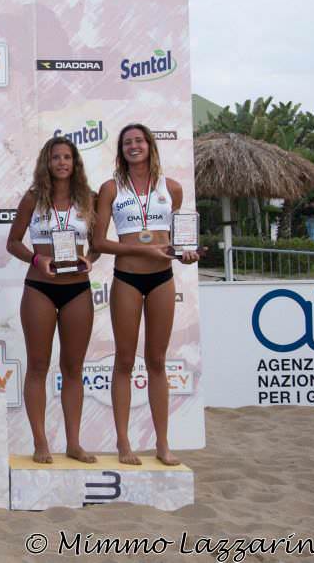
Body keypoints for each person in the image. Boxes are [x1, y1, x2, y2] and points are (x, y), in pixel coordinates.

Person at [92, 123, 200, 466]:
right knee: (124, 361)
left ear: (151, 145)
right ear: (121, 150)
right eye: (127, 143)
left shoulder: (173, 189)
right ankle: (123, 443)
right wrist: (140, 251)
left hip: (162, 279)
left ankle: (163, 444)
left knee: (156, 362)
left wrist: (187, 252)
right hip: (126, 278)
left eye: (139, 141)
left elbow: (176, 239)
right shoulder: (110, 188)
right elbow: (98, 242)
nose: (133, 146)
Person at [6, 137, 98, 463]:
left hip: (77, 289)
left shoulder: (89, 199)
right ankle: (40, 442)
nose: (61, 162)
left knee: (73, 368)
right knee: (38, 366)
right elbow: (13, 242)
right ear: (46, 162)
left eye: (67, 157)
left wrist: (92, 258)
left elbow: (98, 243)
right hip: (40, 287)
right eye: (56, 157)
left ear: (75, 164)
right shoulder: (33, 198)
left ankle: (74, 443)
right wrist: (36, 260)